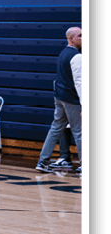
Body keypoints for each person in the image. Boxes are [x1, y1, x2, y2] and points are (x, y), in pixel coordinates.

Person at [36, 27, 82, 174]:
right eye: (80, 36)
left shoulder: (63, 53)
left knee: (55, 128)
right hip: (71, 99)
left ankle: (42, 162)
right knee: (80, 131)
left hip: (60, 97)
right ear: (71, 39)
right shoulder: (77, 56)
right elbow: (79, 82)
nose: (83, 38)